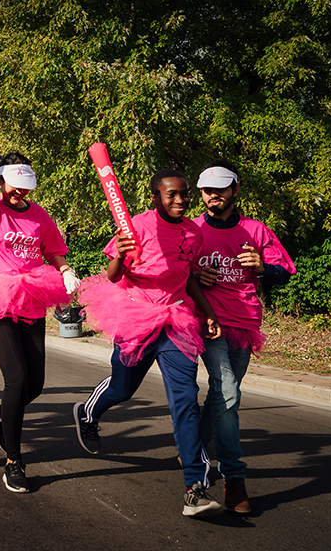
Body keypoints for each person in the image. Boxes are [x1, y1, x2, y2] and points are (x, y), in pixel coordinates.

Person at [72, 169, 225, 517]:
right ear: (155, 197)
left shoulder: (193, 232)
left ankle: (195, 486)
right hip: (136, 317)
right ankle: (88, 411)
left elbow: (187, 278)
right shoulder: (137, 226)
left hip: (177, 320)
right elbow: (112, 276)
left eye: (184, 194)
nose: (180, 200)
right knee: (123, 388)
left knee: (186, 399)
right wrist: (122, 255)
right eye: (171, 194)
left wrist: (209, 312)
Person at [0, 96, 80, 494]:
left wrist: (66, 270)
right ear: (2, 183)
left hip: (31, 297)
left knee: (35, 385)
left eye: (25, 187)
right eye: (13, 185)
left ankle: (0, 415)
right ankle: (13, 459)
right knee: (16, 377)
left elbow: (54, 251)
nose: (18, 193)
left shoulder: (39, 214)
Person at [193, 161, 295, 514]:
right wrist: (194, 277)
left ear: (235, 191)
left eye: (221, 189)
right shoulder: (191, 230)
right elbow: (171, 271)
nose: (213, 196)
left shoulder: (257, 231)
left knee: (222, 395)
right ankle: (233, 480)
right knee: (229, 393)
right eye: (207, 190)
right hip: (208, 322)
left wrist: (264, 268)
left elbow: (285, 273)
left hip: (246, 324)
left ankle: (194, 446)